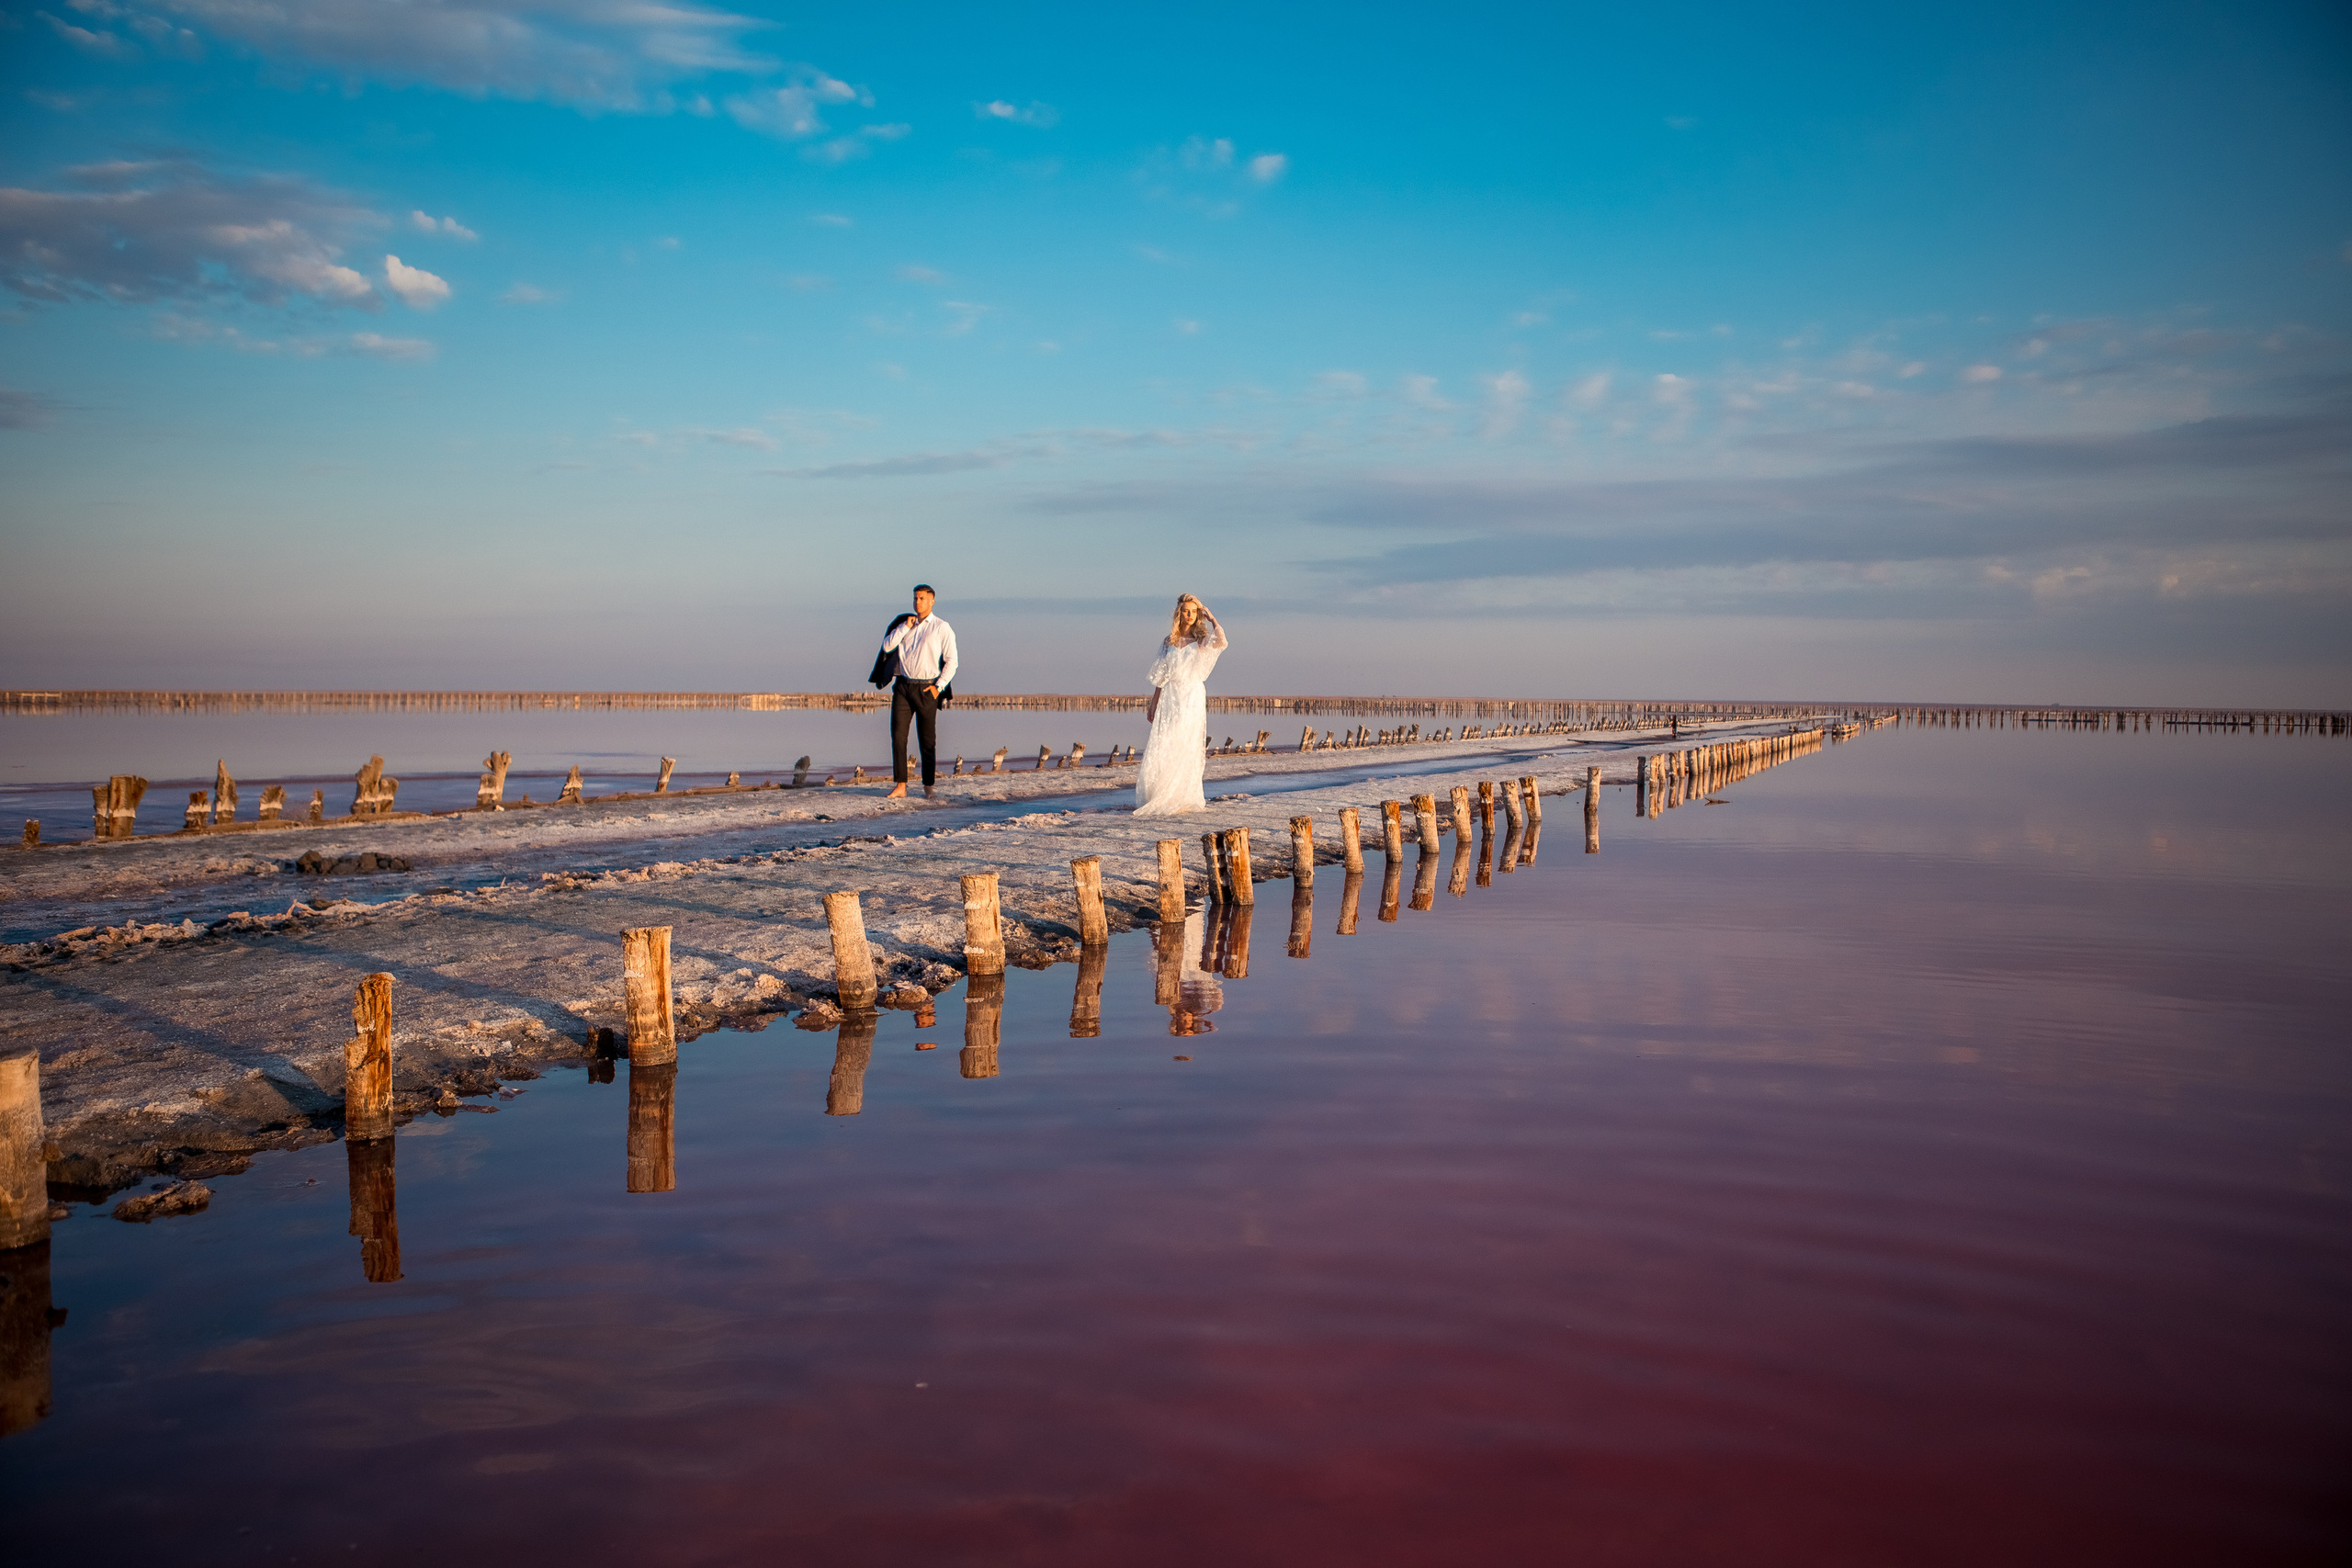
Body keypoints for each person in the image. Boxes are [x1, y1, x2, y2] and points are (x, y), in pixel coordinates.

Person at [1133, 592, 1227, 817]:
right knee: (1165, 740)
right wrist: (1154, 702)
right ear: (1179, 613)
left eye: (1194, 612)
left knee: (1185, 741)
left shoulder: (1201, 640)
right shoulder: (1170, 641)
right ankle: (1161, 792)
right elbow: (1162, 675)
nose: (1190, 615)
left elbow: (1222, 641)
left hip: (1191, 694)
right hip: (1170, 695)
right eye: (1187, 611)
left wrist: (1211, 616)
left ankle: (1182, 795)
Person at [880, 584, 958, 799]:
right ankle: (901, 785)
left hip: (927, 688)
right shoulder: (905, 624)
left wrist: (938, 687)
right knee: (898, 736)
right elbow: (887, 647)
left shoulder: (942, 627)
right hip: (903, 687)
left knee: (927, 740)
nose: (918, 602)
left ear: (932, 601)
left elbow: (952, 661)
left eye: (922, 598)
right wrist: (905, 627)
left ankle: (928, 787)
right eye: (915, 598)